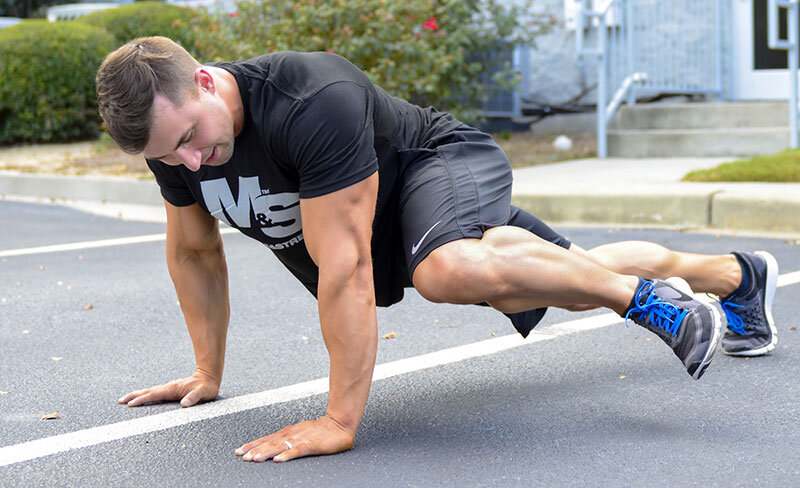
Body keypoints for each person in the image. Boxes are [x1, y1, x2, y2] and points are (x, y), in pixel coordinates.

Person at [95, 36, 779, 463]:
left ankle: (648, 303)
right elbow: (194, 255)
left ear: (206, 82)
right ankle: (736, 276)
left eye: (190, 137)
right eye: (170, 155)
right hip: (391, 221)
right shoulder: (177, 149)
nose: (191, 160)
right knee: (560, 272)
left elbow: (347, 268)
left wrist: (339, 420)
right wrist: (206, 373)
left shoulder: (309, 101)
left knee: (449, 270)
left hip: (438, 167)